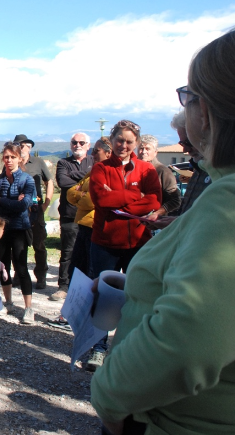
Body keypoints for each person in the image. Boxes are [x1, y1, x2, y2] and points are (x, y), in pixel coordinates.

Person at [91, 28, 235, 435]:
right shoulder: (220, 189)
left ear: (204, 112)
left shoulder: (228, 201)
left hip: (177, 420)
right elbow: (105, 202)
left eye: (188, 96)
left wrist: (110, 397)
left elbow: (189, 342)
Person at [84, 120, 161, 373]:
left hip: (138, 243)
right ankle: (98, 347)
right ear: (112, 140)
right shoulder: (100, 168)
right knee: (103, 297)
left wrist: (122, 201)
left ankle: (128, 349)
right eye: (119, 140)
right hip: (105, 242)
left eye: (129, 141)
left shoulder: (147, 170)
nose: (124, 146)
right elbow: (101, 200)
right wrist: (134, 196)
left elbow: (154, 201)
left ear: (136, 143)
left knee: (137, 295)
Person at [48, 137, 112, 331]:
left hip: (95, 228)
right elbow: (69, 193)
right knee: (78, 270)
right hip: (80, 223)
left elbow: (90, 201)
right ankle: (70, 315)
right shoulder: (92, 170)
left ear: (108, 153)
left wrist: (81, 194)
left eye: (97, 152)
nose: (92, 155)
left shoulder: (107, 173)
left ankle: (87, 320)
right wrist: (81, 193)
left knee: (92, 274)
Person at [0, 142, 37, 324]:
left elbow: (24, 205)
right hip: (1, 231)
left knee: (21, 268)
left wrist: (2, 200)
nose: (9, 160)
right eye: (6, 157)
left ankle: (28, 308)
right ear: (3, 158)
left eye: (13, 157)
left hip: (19, 229)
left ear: (19, 159)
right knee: (3, 266)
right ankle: (7, 302)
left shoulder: (27, 180)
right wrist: (12, 200)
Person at [51, 132, 93, 301]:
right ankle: (63, 286)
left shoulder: (94, 163)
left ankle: (85, 287)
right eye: (74, 142)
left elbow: (97, 182)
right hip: (69, 214)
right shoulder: (63, 163)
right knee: (67, 252)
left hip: (89, 217)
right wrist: (85, 178)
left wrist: (76, 179)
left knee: (88, 253)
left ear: (88, 146)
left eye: (82, 142)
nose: (78, 145)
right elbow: (63, 182)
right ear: (70, 145)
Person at [14, 133, 53, 289]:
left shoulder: (37, 162)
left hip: (36, 210)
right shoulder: (11, 162)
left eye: (24, 145)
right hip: (17, 211)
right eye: (19, 145)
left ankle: (41, 275)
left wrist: (47, 202)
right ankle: (18, 274)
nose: (21, 147)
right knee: (18, 245)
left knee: (39, 244)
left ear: (29, 146)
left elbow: (49, 181)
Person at [169, 110, 211, 215]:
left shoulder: (220, 174)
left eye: (188, 142)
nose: (185, 150)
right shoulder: (199, 169)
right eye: (182, 143)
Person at [137, 134, 181, 219]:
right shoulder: (132, 169)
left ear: (155, 152)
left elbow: (175, 200)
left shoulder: (163, 171)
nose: (143, 152)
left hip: (153, 223)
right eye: (141, 149)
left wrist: (156, 214)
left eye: (148, 149)